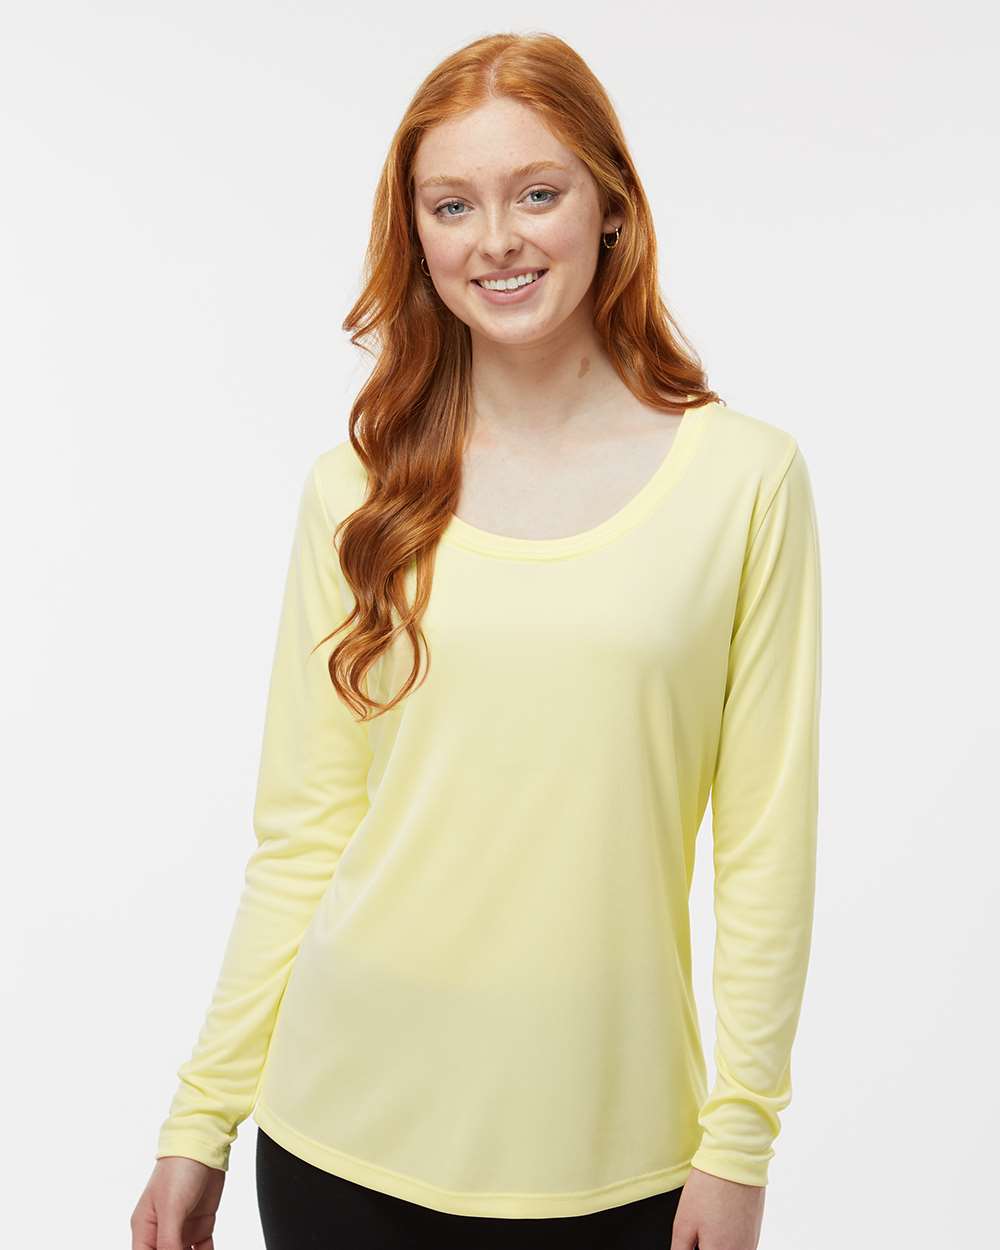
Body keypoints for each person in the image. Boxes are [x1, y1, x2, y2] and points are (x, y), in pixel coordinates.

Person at [131, 30, 821, 1250]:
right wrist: (201, 1119)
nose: (495, 239)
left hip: (618, 1162)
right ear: (417, 234)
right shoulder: (356, 491)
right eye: (452, 205)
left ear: (610, 205)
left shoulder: (743, 481)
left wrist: (740, 1141)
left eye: (536, 193)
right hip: (340, 1141)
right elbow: (304, 834)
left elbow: (763, 846)